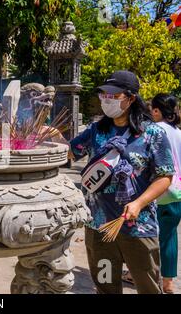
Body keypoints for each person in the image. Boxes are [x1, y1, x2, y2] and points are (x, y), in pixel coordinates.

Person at [69, 70, 174, 294]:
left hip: (138, 226)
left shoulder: (152, 133)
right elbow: (69, 152)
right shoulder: (97, 131)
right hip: (99, 227)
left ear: (131, 98)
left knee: (147, 286)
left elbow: (165, 176)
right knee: (106, 285)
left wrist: (138, 203)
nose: (107, 99)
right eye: (104, 94)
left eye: (114, 96)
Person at [150, 93, 181, 294]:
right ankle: (168, 283)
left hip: (158, 191)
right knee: (169, 237)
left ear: (156, 110)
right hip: (177, 192)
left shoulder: (154, 130)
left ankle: (146, 274)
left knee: (147, 237)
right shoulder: (178, 131)